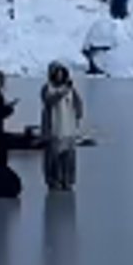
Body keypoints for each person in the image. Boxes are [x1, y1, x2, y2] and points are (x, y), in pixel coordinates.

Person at [41, 62, 84, 191]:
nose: (59, 76)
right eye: (57, 73)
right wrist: (62, 92)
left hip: (68, 129)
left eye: (61, 73)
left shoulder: (71, 89)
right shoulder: (47, 88)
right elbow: (49, 100)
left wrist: (78, 112)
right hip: (53, 129)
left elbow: (78, 105)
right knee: (53, 158)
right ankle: (53, 181)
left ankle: (68, 180)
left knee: (68, 159)